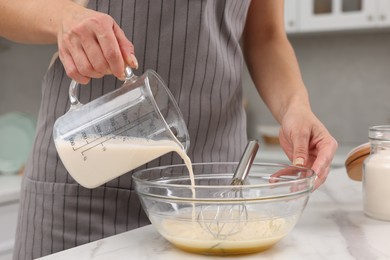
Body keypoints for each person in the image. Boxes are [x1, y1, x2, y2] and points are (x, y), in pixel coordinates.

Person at [0, 0, 338, 259]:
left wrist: (296, 107)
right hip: (83, 179)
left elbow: (265, 35)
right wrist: (63, 18)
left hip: (213, 191)